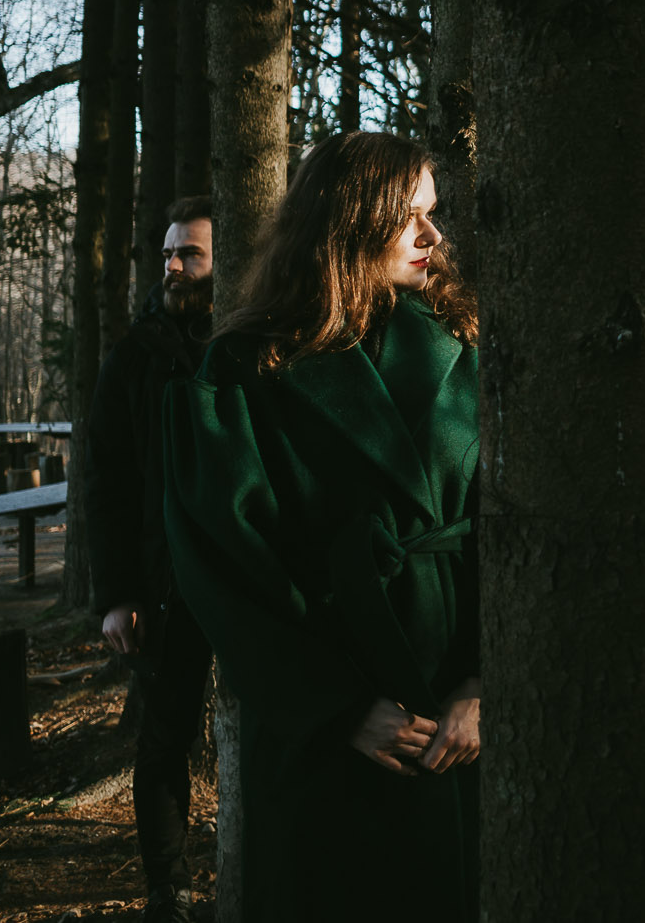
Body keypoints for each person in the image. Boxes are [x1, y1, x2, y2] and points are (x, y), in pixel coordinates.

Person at [164, 133, 481, 923]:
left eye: (432, 215)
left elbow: (514, 534)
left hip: (453, 721)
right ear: (348, 222)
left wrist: (488, 680)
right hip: (322, 732)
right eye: (408, 217)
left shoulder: (467, 346)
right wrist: (338, 707)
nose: (432, 237)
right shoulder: (242, 368)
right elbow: (220, 569)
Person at [90, 194, 217, 923]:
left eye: (189, 252)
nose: (172, 264)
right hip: (163, 586)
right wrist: (116, 594)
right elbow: (104, 484)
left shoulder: (247, 343)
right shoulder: (134, 356)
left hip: (242, 582)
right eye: (168, 252)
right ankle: (167, 890)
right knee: (164, 737)